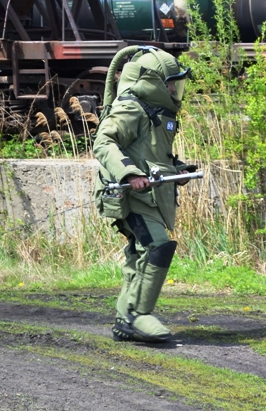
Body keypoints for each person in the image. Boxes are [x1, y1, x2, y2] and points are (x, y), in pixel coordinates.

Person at [93, 46, 195, 343]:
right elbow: (103, 142)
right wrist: (130, 174)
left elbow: (148, 153)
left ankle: (126, 318)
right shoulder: (132, 107)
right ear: (154, 83)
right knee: (157, 247)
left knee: (139, 255)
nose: (176, 88)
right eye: (171, 83)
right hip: (128, 195)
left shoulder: (159, 114)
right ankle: (139, 315)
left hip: (148, 196)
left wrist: (178, 169)